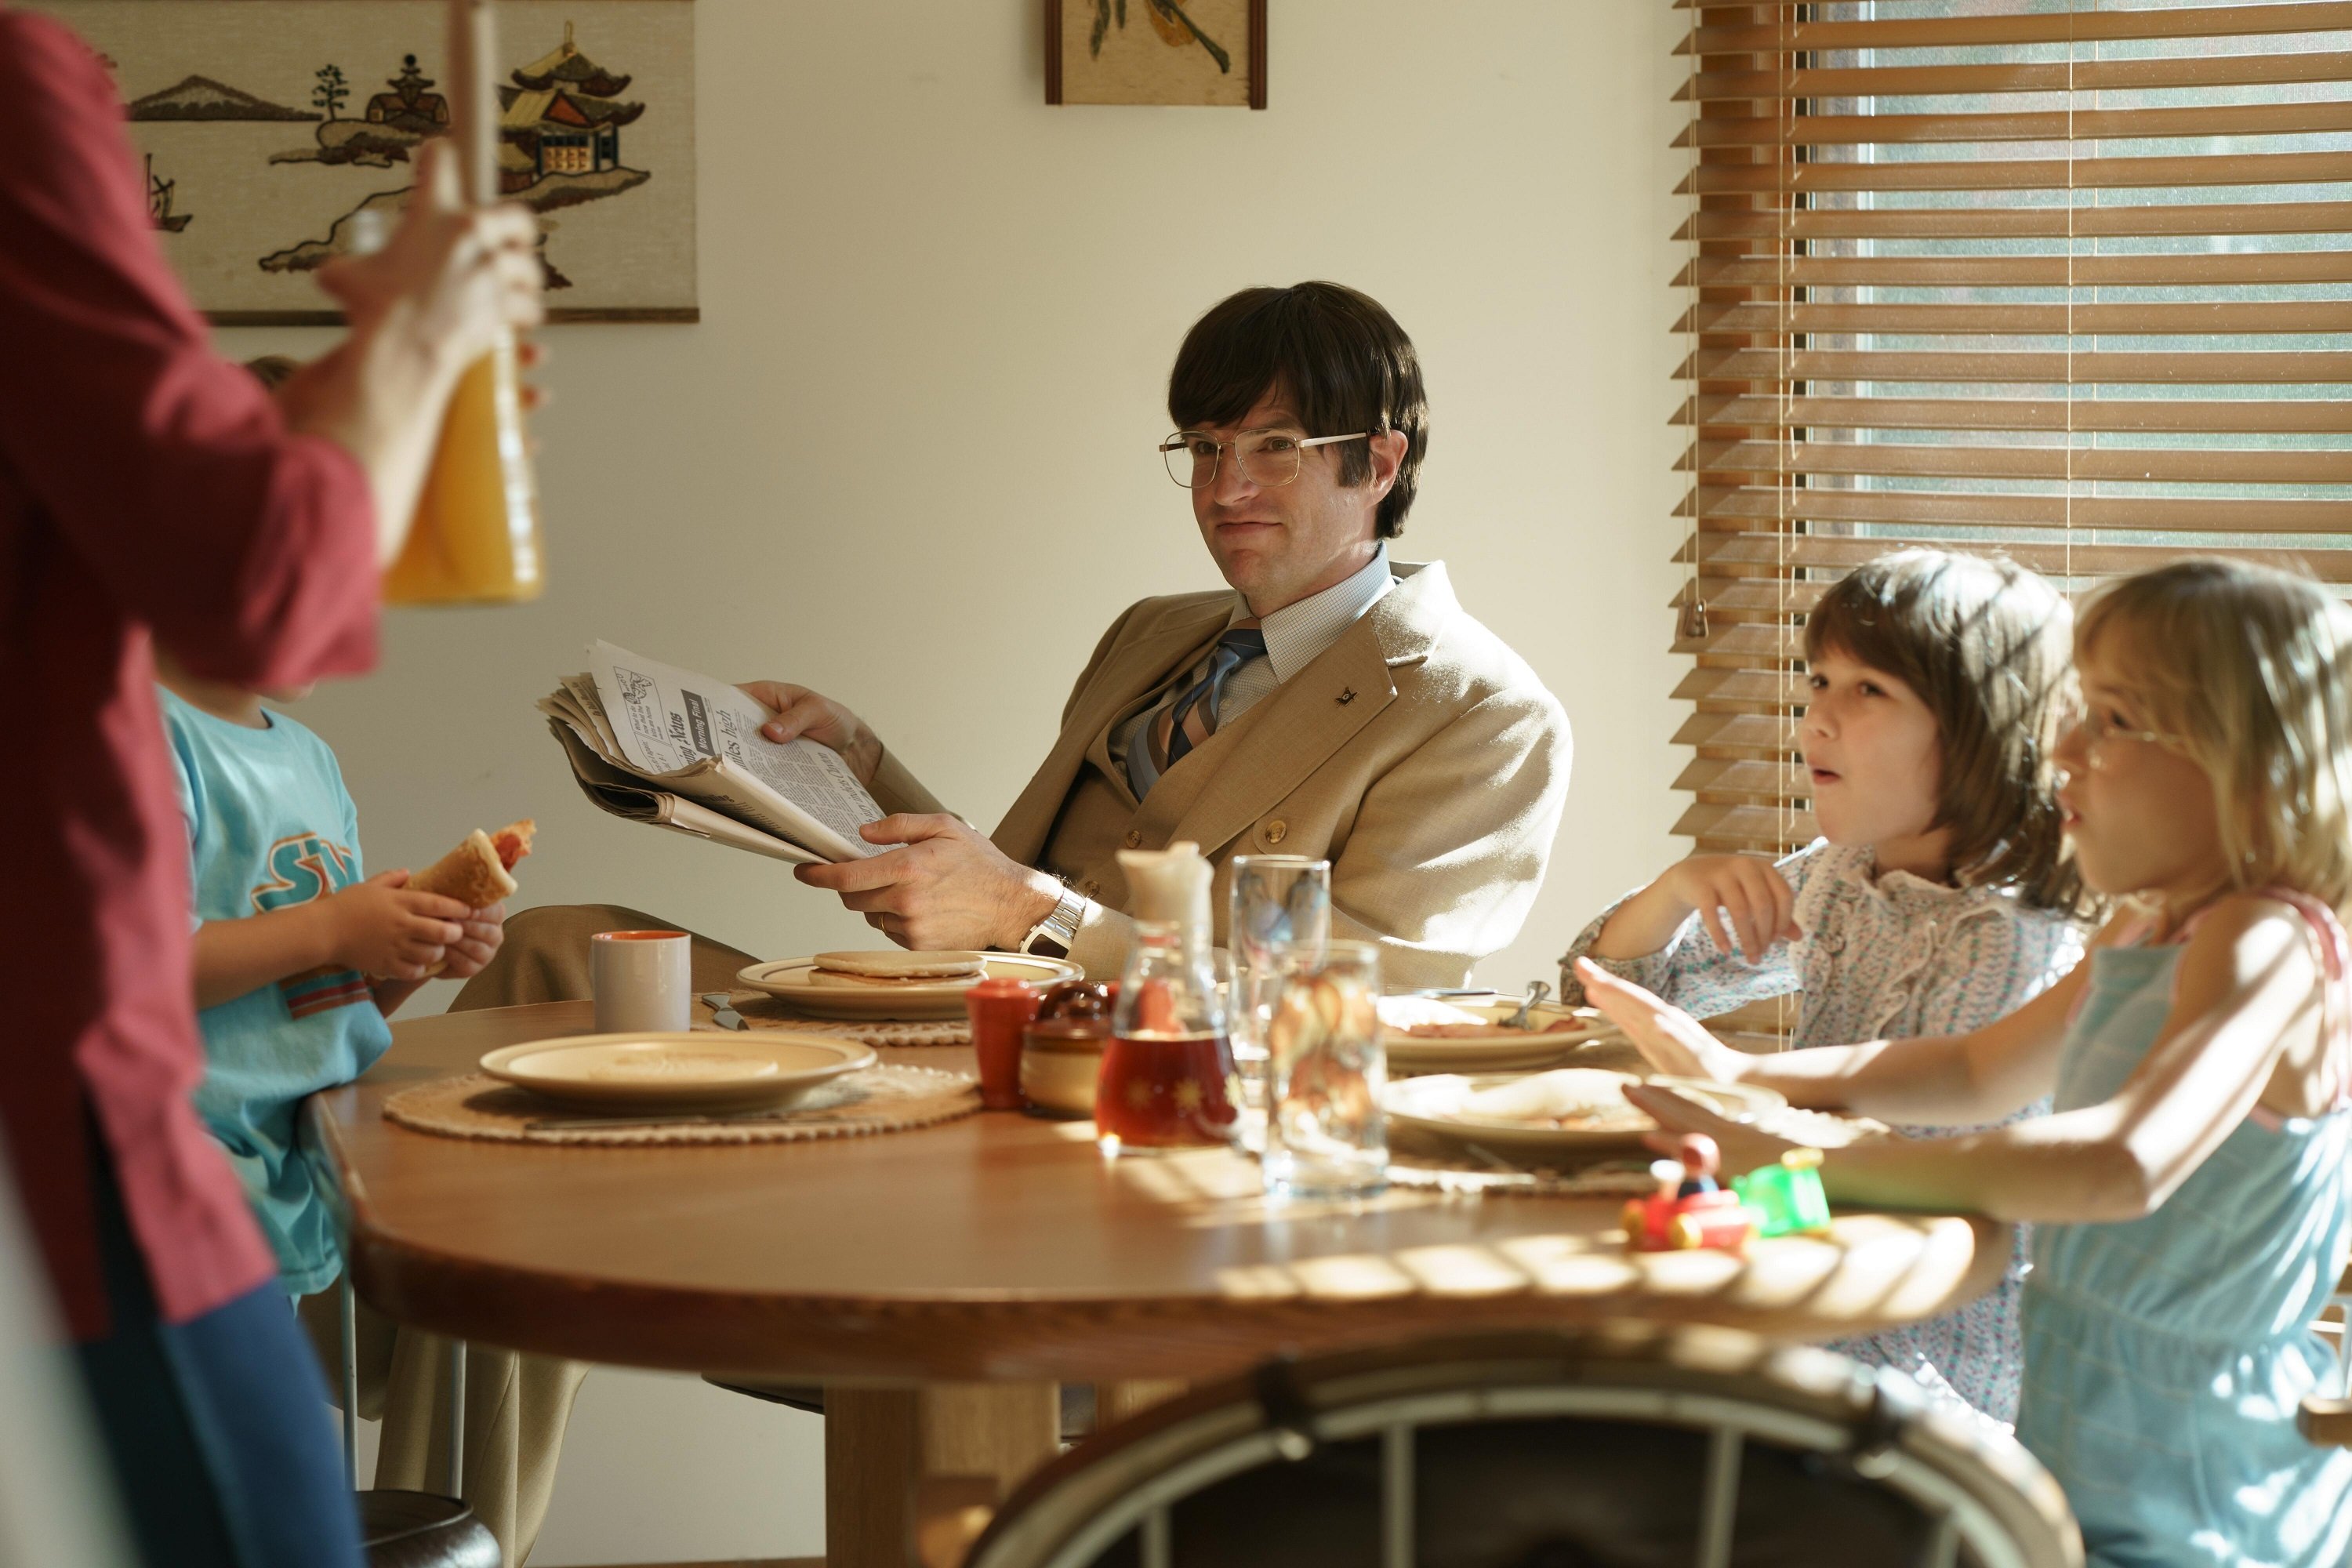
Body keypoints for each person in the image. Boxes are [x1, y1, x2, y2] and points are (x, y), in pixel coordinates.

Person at [0, 8, 543, 1565]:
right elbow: (248, 577)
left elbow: (114, 509)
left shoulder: (298, 760)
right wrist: (421, 338)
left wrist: (352, 405)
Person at [472, 281, 1570, 1002]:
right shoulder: (1153, 635)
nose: (1225, 486)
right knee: (557, 951)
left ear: (1377, 464)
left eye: (1275, 446)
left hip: (1133, 1100)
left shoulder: (1481, 713)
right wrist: (857, 762)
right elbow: (1008, 884)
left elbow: (1355, 1002)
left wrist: (1035, 915)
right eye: (1203, 445)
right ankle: (362, 1352)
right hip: (969, 1024)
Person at [1581, 557, 2352, 1568]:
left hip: (2198, 1477)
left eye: (2112, 720)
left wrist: (1804, 1163)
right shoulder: (2146, 928)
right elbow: (1978, 1070)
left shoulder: (2265, 940)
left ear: (2245, 762)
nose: (2064, 747)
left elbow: (2122, 1163)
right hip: (2086, 1431)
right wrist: (1740, 1074)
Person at [1561, 550, 2091, 1428]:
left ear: (1979, 726)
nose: (1818, 718)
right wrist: (1674, 890)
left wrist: (1717, 1124)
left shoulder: (2008, 936)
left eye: (1868, 689)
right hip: (1807, 1282)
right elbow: (1608, 999)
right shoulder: (1842, 874)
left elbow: (1876, 1179)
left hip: (1916, 1357)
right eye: (1818, 680)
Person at [157, 646, 507, 1298]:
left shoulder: (311, 759)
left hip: (300, 1156)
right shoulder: (143, 739)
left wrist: (415, 957)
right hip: (181, 1166)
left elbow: (326, 1002)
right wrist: (335, 927)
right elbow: (138, 969)